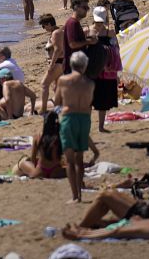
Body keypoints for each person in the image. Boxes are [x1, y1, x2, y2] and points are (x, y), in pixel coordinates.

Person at [54, 51, 95, 203]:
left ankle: (75, 196)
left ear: (71, 65)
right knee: (79, 159)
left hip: (69, 118)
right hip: (84, 119)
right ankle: (80, 191)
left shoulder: (64, 80)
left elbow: (57, 100)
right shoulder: (90, 83)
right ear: (84, 66)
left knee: (70, 161)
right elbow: (89, 101)